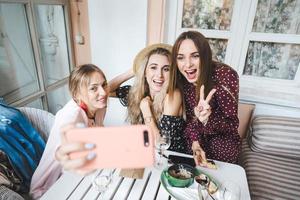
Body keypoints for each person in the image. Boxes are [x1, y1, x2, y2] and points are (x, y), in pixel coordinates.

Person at [30, 64, 108, 199]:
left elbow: (111, 85)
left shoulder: (97, 104)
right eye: (93, 88)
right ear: (77, 94)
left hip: (81, 176)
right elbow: (66, 156)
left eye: (104, 85)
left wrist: (133, 71)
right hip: (51, 188)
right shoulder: (71, 117)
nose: (104, 92)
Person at [170, 31, 241, 164]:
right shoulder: (181, 79)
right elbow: (190, 121)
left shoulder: (225, 75)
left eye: (195, 56)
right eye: (180, 58)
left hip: (221, 140)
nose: (188, 64)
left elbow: (232, 124)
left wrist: (208, 119)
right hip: (193, 136)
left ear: (205, 55)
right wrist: (195, 143)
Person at [109, 43, 186, 153]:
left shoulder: (173, 96)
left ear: (172, 73)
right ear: (145, 72)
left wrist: (146, 112)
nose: (159, 75)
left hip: (170, 161)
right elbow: (105, 91)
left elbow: (162, 144)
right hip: (146, 154)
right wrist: (133, 70)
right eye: (153, 67)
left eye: (166, 69)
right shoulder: (138, 93)